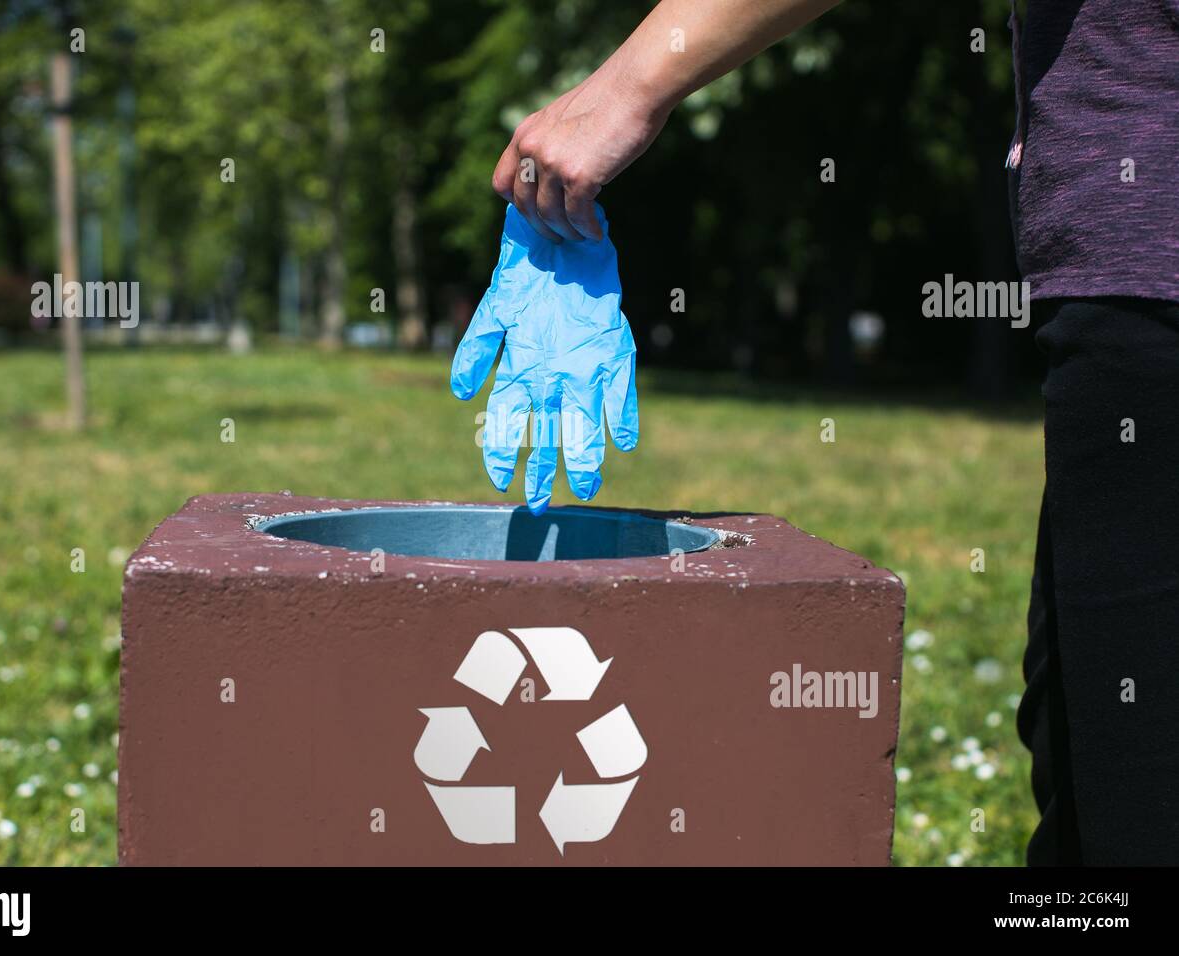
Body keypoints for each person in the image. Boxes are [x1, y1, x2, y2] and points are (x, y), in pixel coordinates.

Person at [492, 0, 1179, 865]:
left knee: (1135, 811)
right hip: (1139, 284)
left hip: (1156, 279)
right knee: (1087, 782)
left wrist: (628, 85)